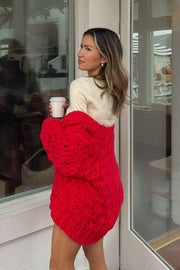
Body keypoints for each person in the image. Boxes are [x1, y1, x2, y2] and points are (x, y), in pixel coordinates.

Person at [40, 27, 128, 270]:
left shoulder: (80, 86)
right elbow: (90, 136)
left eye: (88, 49)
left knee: (58, 264)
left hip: (82, 197)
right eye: (81, 46)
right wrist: (71, 115)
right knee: (96, 259)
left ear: (104, 58)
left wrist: (54, 123)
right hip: (106, 191)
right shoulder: (113, 89)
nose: (79, 53)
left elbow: (68, 155)